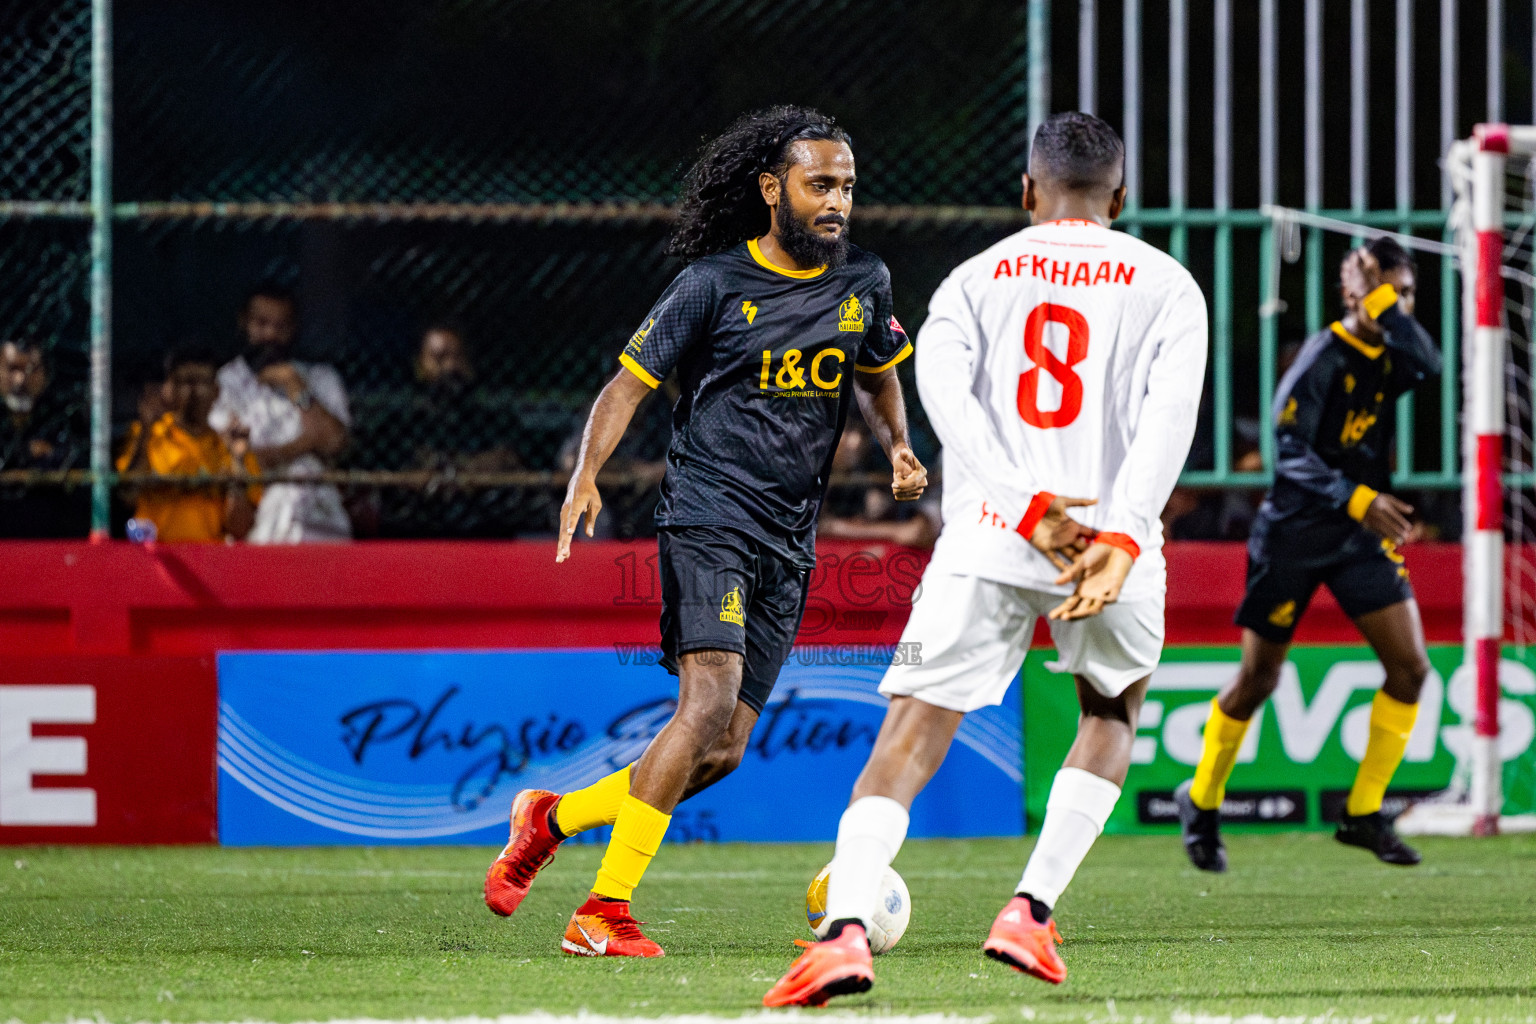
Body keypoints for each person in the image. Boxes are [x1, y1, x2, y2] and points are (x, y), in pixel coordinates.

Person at [765, 111, 1209, 1005]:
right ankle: (1031, 913)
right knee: (1111, 714)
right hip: (1112, 552)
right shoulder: (1169, 284)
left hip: (990, 539)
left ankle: (844, 931)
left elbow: (947, 408)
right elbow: (1170, 422)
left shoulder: (973, 280)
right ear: (1119, 197)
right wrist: (1120, 533)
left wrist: (1028, 509)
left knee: (910, 735)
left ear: (1026, 192)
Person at [480, 106, 927, 958]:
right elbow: (626, 386)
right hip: (708, 513)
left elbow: (876, 375)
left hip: (790, 539)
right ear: (772, 189)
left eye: (847, 188)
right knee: (709, 699)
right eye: (819, 184)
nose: (837, 202)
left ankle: (552, 818)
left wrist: (899, 445)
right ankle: (602, 913)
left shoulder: (864, 280)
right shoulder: (712, 286)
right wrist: (585, 475)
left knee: (722, 752)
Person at [1175, 238, 1441, 872]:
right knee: (1258, 680)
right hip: (1293, 538)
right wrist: (1356, 498)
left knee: (1411, 670)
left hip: (1357, 540)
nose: (1397, 304)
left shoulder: (1391, 351)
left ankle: (1363, 813)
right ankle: (1202, 799)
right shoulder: (1322, 357)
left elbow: (1428, 362)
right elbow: (1287, 449)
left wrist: (1383, 299)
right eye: (1386, 289)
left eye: (1405, 293)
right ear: (1352, 293)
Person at [208, 282, 352, 542]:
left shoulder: (320, 378)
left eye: (281, 326)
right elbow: (232, 456)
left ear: (294, 328)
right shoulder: (226, 382)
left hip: (318, 516)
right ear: (245, 323)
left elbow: (334, 443)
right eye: (262, 324)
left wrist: (296, 387)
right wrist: (306, 446)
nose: (271, 335)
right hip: (254, 512)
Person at [116, 347, 259, 542]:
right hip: (155, 557)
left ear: (216, 391)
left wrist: (237, 459)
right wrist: (146, 431)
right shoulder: (148, 435)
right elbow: (127, 497)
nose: (194, 391)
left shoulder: (229, 444)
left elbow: (239, 529)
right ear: (171, 390)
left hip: (209, 560)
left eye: (203, 382)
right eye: (186, 382)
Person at [0, 339, 90, 537]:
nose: (20, 380)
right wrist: (26, 453)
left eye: (31, 369)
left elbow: (79, 468)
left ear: (46, 376)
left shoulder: (64, 418)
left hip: (51, 540)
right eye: (12, 368)